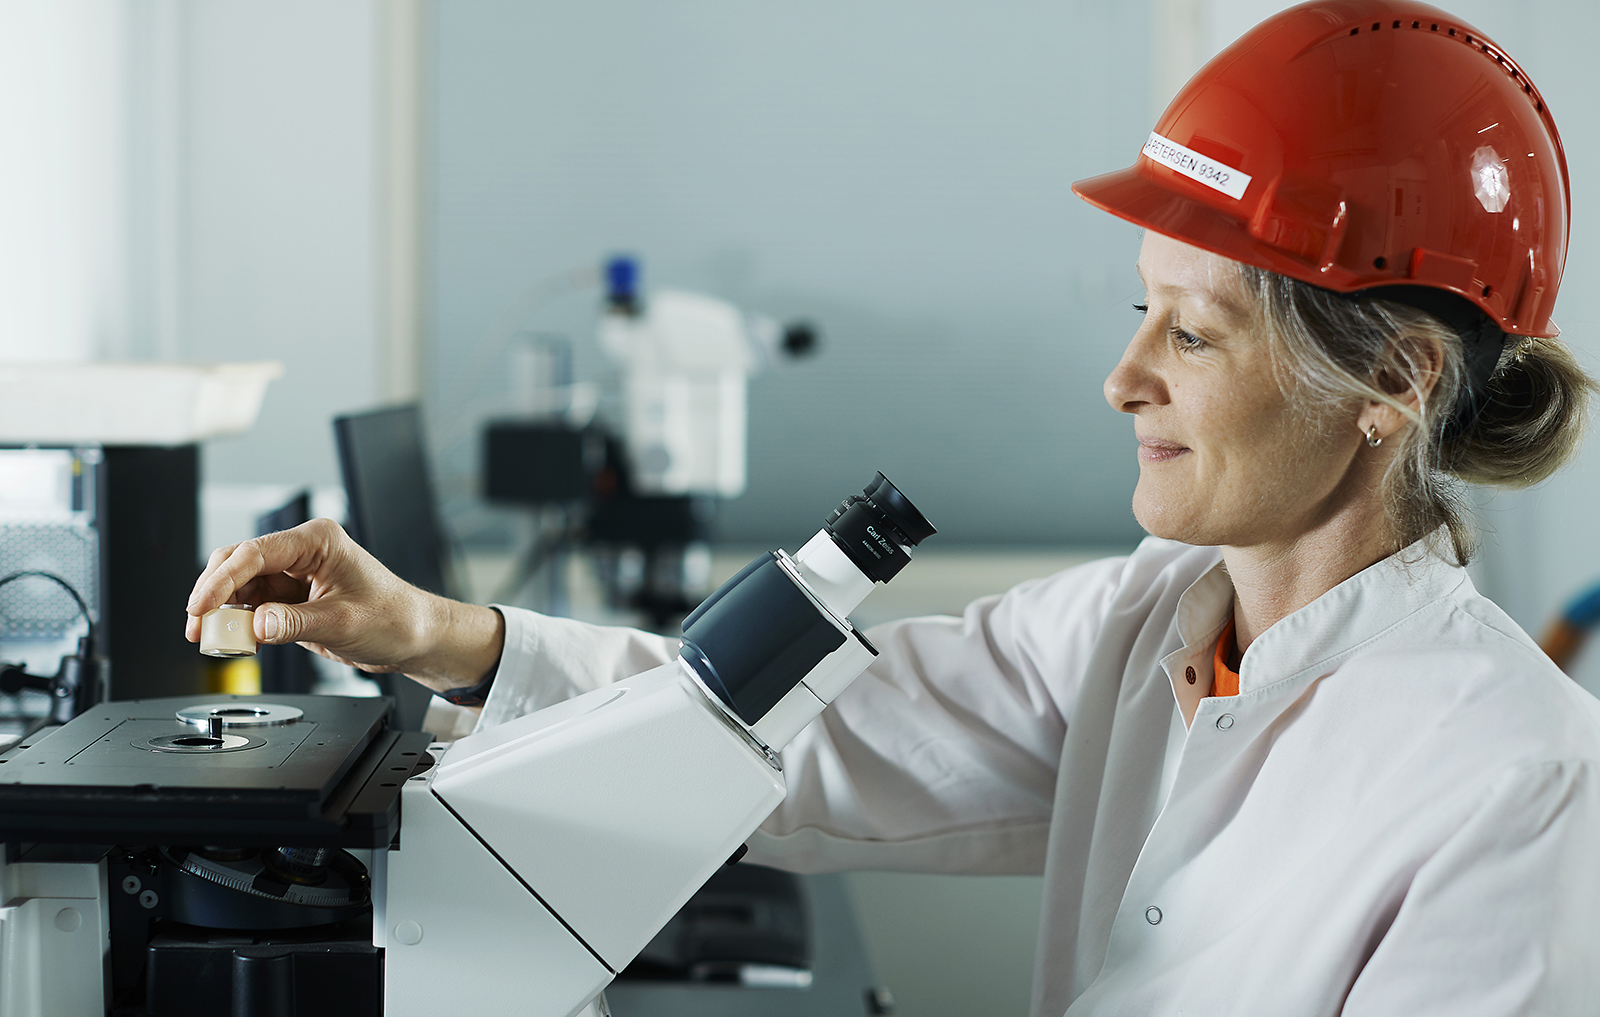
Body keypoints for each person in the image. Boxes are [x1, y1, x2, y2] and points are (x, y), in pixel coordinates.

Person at [186, 1, 1600, 1012]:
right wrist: (436, 632)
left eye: (1195, 334)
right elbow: (795, 725)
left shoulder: (1514, 778)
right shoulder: (1141, 623)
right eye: (1138, 312)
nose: (1120, 379)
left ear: (1393, 381)